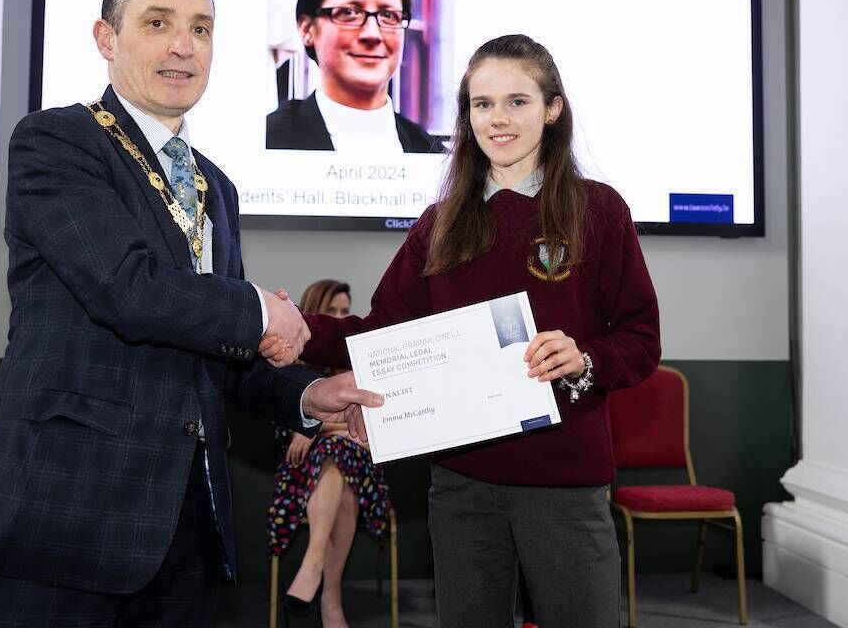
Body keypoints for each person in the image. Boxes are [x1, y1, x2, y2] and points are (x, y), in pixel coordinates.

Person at [0, 0, 382, 628]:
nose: (184, 45)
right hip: (64, 524)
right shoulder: (58, 142)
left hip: (188, 535)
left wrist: (305, 396)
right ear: (106, 39)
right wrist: (262, 306)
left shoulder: (216, 187)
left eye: (201, 29)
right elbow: (127, 288)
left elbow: (222, 353)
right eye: (158, 22)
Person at [264, 34, 661, 627]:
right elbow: (382, 331)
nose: (498, 119)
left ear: (553, 109)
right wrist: (302, 329)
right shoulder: (439, 224)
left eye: (517, 101)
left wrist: (585, 358)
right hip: (462, 485)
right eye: (482, 104)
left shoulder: (598, 210)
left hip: (565, 483)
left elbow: (640, 337)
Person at [267, 280, 392, 628]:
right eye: (333, 309)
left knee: (342, 453)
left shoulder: (361, 364)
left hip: (359, 474)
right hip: (302, 477)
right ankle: (331, 599)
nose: (341, 316)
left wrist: (312, 428)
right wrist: (326, 428)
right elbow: (283, 427)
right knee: (340, 454)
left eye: (344, 309)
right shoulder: (290, 357)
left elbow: (371, 432)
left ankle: (314, 563)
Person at [265, 0, 444, 154]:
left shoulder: (433, 154)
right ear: (307, 29)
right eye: (349, 12)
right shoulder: (271, 140)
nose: (372, 34)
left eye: (388, 15)